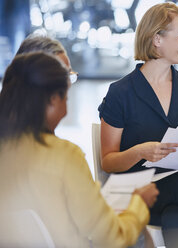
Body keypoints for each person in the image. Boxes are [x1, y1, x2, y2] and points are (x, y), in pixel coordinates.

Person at [98, 3, 178, 248]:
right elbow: (108, 161)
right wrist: (140, 151)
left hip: (177, 196)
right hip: (137, 194)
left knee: (176, 216)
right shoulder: (120, 93)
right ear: (157, 38)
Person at [0, 52, 159, 247]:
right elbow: (111, 239)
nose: (67, 106)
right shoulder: (64, 156)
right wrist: (138, 204)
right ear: (52, 100)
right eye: (66, 97)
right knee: (138, 234)